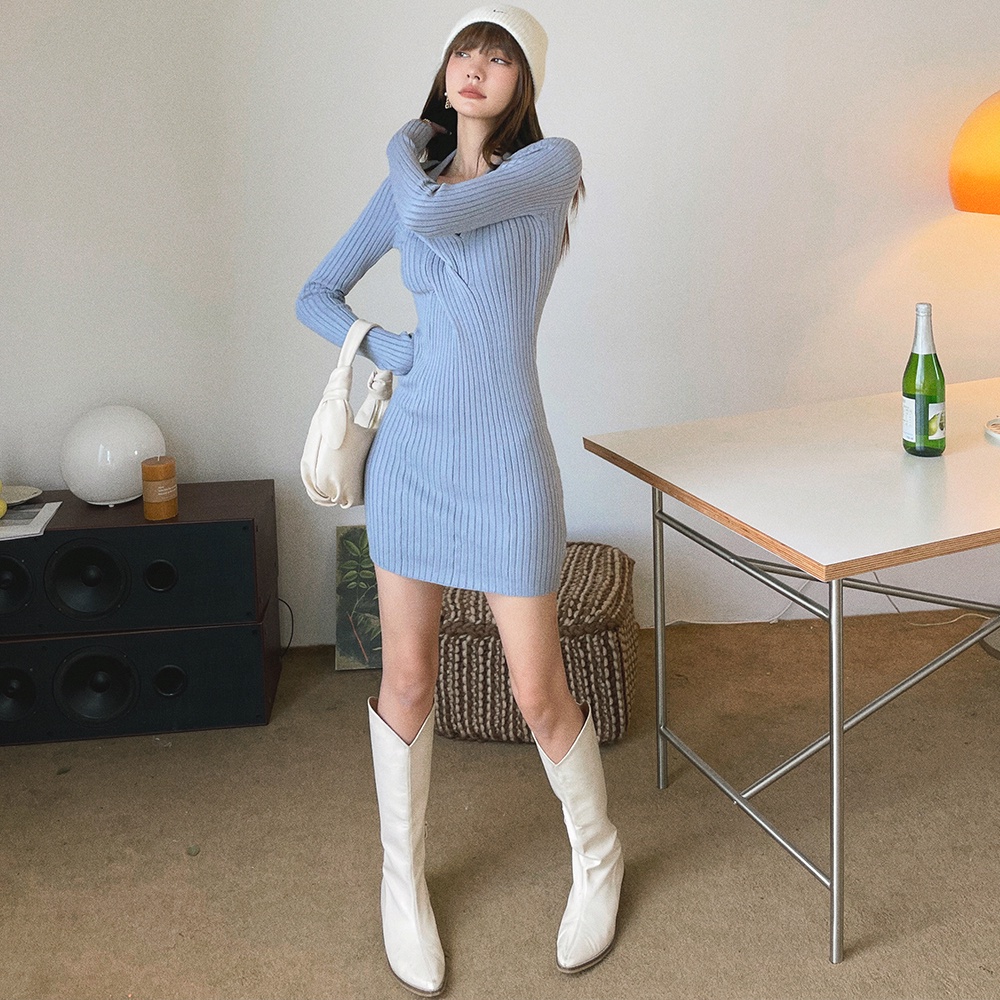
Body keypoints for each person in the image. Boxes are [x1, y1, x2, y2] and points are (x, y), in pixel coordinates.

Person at [296, 5, 623, 995]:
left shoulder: (548, 166)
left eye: (500, 56)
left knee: (537, 689)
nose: (477, 66)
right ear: (444, 70)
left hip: (506, 461)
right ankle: (402, 881)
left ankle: (599, 856)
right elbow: (316, 292)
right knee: (404, 679)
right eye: (464, 51)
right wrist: (393, 348)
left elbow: (436, 217)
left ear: (525, 81)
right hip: (412, 462)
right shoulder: (413, 178)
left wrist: (404, 140)